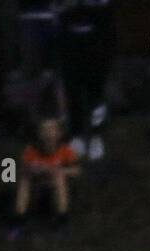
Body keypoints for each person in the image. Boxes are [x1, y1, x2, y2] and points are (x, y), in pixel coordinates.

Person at [58, 0, 116, 162]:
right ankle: (77, 136)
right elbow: (61, 10)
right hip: (70, 43)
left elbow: (106, 11)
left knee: (96, 95)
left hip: (96, 43)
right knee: (73, 92)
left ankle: (97, 136)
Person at [9, 116, 80, 237]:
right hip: (37, 182)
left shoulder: (65, 150)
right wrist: (34, 170)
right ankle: (19, 221)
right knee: (24, 181)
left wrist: (59, 171)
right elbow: (22, 169)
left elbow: (76, 170)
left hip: (56, 183)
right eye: (45, 130)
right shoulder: (32, 150)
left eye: (52, 129)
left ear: (59, 133)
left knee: (59, 178)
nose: (49, 133)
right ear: (40, 134)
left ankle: (63, 221)